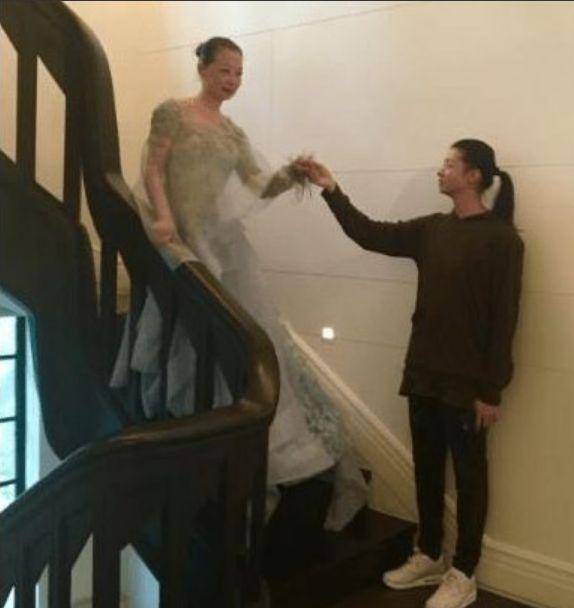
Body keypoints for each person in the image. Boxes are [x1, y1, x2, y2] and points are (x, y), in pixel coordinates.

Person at [111, 37, 367, 532]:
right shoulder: (172, 113)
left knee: (250, 338)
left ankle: (260, 449)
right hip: (181, 240)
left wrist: (293, 174)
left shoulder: (232, 131)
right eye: (224, 70)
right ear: (203, 68)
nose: (232, 81)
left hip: (224, 245)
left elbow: (257, 184)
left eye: (239, 74)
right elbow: (153, 168)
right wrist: (162, 218)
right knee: (192, 336)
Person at [298, 140, 523, 608]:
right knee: (426, 469)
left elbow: (505, 318)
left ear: (474, 176)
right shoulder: (432, 230)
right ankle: (430, 554)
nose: (440, 171)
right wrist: (330, 188)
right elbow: (369, 233)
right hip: (423, 374)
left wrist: (491, 390)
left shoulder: (503, 240)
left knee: (470, 477)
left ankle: (464, 573)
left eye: (449, 164)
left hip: (467, 385)